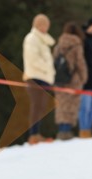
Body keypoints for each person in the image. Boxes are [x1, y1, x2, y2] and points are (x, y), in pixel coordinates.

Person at [23, 14, 56, 144]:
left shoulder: (43, 41)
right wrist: (48, 68)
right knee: (36, 106)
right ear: (37, 25)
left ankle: (36, 133)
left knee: (42, 107)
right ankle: (33, 135)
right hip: (34, 77)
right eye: (42, 25)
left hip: (45, 78)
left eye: (47, 25)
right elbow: (33, 59)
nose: (45, 28)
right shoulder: (31, 39)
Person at [53, 22, 88, 140]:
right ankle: (66, 131)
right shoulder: (76, 45)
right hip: (73, 80)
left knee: (61, 105)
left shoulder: (58, 45)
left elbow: (53, 62)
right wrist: (83, 77)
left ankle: (61, 130)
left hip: (59, 80)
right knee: (71, 105)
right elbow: (80, 63)